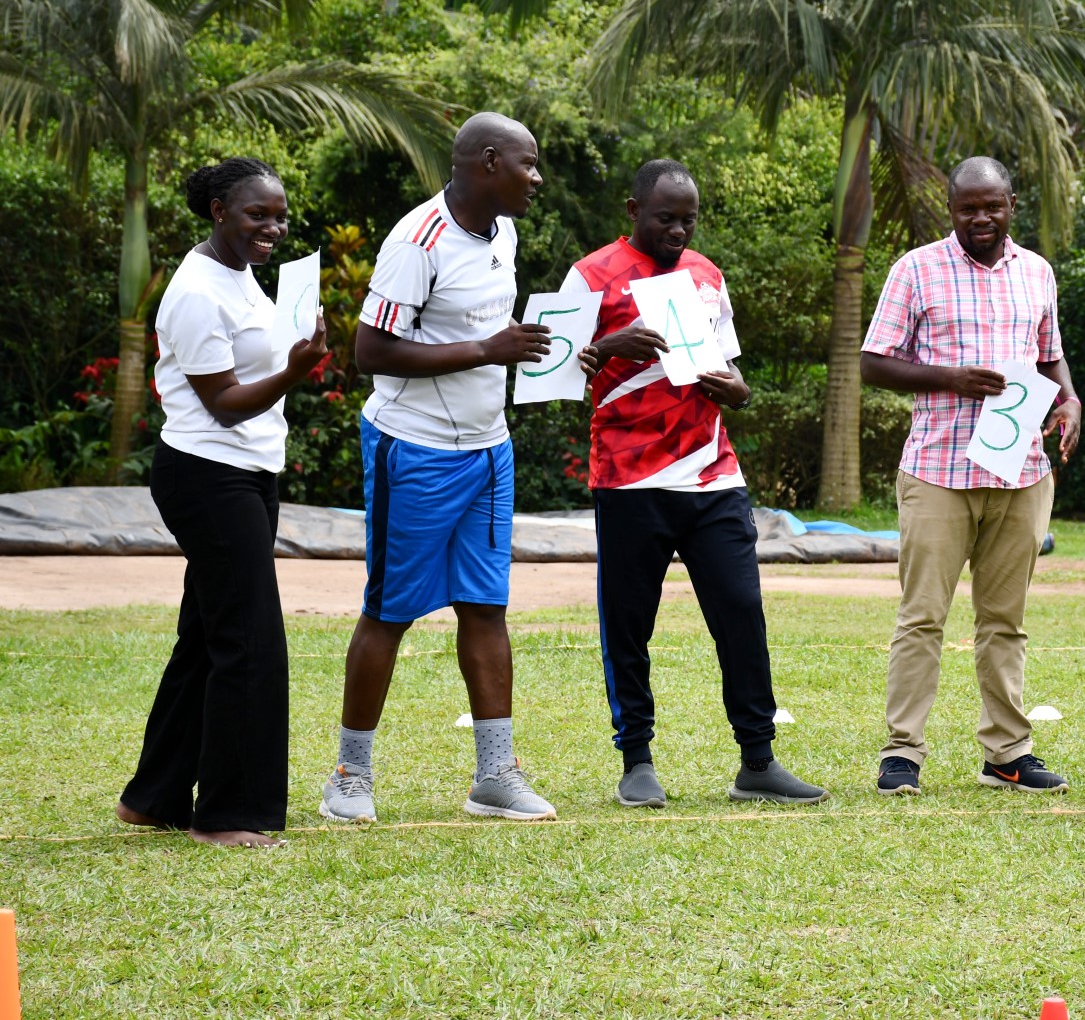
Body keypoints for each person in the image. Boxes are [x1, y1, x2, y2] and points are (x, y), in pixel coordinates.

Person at [319, 113, 557, 824]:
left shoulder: (504, 231)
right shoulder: (416, 240)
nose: (536, 179)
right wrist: (488, 350)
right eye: (528, 164)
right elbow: (371, 352)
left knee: (486, 607)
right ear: (488, 162)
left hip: (490, 450)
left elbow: (493, 338)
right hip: (413, 450)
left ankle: (496, 774)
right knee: (389, 611)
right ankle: (349, 777)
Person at [568, 159, 828, 808]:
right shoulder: (590, 276)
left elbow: (733, 370)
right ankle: (637, 761)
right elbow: (555, 377)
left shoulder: (708, 277)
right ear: (633, 210)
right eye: (665, 218)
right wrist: (608, 345)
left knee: (741, 612)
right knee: (629, 623)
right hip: (628, 480)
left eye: (689, 218)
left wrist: (736, 389)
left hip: (712, 474)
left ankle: (758, 761)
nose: (679, 230)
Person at [116, 158, 329, 848]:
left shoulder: (239, 276)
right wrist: (295, 371)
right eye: (257, 214)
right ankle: (229, 814)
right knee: (250, 641)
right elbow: (226, 405)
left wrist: (291, 352)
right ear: (217, 211)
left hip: (245, 473)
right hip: (211, 476)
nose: (274, 226)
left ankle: (153, 798)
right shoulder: (197, 291)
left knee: (208, 636)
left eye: (279, 214)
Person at [860, 156, 1081, 798]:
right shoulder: (916, 269)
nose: (980, 217)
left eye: (993, 206)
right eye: (967, 208)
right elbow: (874, 363)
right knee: (922, 616)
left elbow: (1052, 357)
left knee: (1004, 620)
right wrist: (951, 379)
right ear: (949, 208)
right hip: (938, 468)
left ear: (1012, 203)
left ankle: (1007, 753)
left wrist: (1068, 401)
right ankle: (902, 753)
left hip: (1021, 471)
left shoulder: (1037, 272)